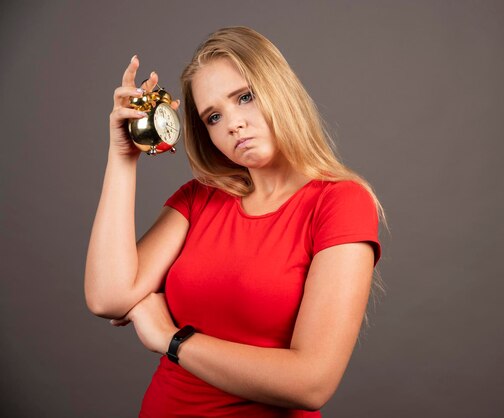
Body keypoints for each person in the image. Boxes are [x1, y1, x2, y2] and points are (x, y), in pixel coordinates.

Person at [85, 26, 384, 417]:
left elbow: (312, 382)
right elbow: (108, 297)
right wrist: (123, 158)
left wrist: (171, 339)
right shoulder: (200, 198)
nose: (233, 124)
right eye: (213, 116)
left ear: (279, 89)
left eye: (245, 97)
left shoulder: (340, 202)